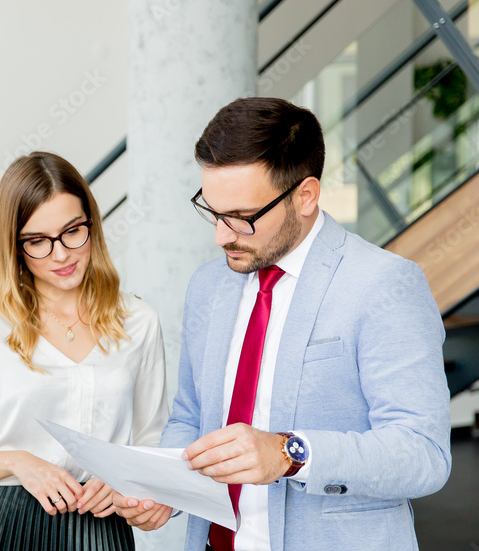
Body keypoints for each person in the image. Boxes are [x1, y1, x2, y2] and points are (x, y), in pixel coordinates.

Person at [113, 97, 451, 551]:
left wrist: (289, 454)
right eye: (212, 211)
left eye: (242, 217)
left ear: (305, 196)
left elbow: (422, 454)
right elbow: (192, 416)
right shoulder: (208, 286)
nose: (221, 235)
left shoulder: (384, 285)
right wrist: (163, 489)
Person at [0, 151, 169, 550]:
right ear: (14, 247)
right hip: (2, 527)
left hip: (99, 527)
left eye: (72, 231)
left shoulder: (139, 320)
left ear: (92, 224)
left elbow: (155, 441)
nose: (61, 254)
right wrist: (18, 461)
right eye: (37, 241)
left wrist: (123, 475)